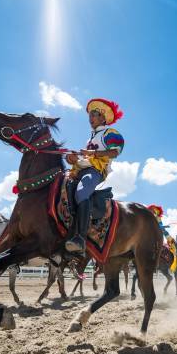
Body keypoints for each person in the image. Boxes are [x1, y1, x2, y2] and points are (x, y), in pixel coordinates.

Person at [65, 98, 124, 253]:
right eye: (90, 115)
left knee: (82, 192)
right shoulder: (90, 137)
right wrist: (73, 159)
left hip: (95, 172)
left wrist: (93, 153)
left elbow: (115, 152)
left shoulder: (109, 132)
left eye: (94, 115)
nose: (90, 118)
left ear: (103, 118)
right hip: (80, 170)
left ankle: (80, 238)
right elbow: (84, 159)